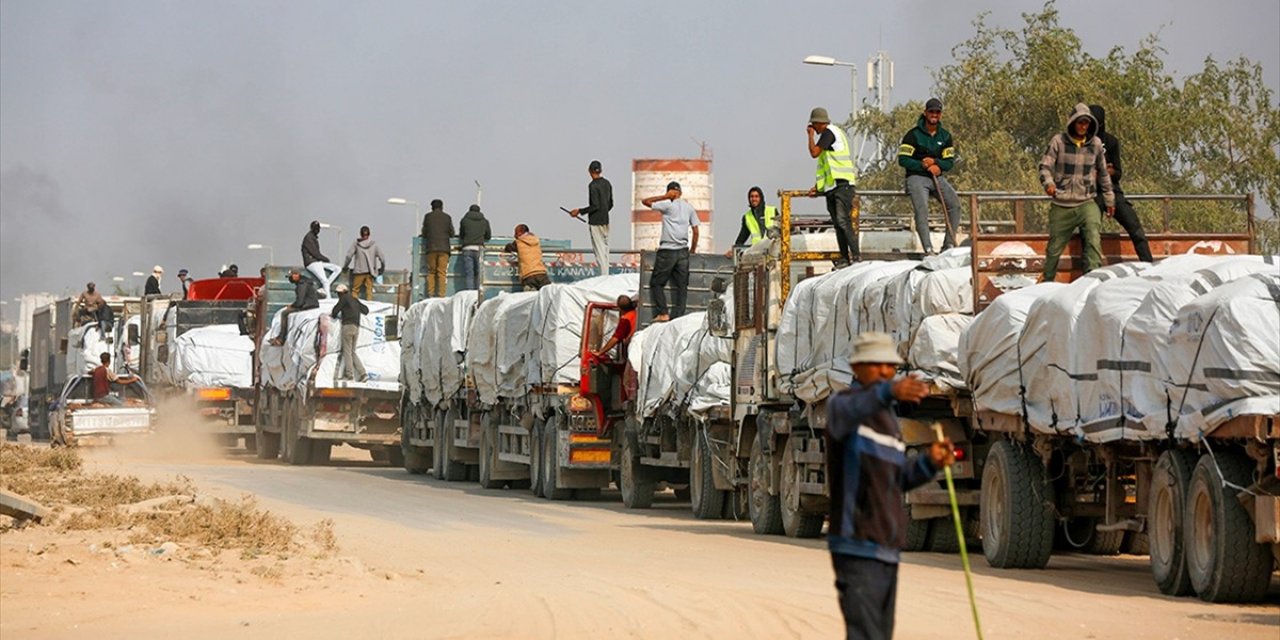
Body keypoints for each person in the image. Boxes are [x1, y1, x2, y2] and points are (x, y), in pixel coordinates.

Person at [826, 332, 955, 640]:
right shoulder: (842, 407)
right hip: (856, 546)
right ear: (857, 366)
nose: (885, 371)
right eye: (877, 364)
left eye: (891, 366)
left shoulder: (887, 421)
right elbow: (862, 402)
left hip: (886, 549)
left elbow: (897, 481)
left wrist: (929, 463)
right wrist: (891, 391)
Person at [1039, 103, 1115, 282]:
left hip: (1086, 201)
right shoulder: (1058, 141)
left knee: (1093, 241)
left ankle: (1092, 281)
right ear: (1073, 123)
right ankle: (1047, 282)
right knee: (1054, 249)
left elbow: (1103, 174)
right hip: (1062, 203)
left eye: (1087, 123)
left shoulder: (1095, 144)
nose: (1083, 126)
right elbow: (1044, 167)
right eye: (1080, 122)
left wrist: (1110, 199)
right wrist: (1049, 184)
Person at [1089, 105, 1153, 263]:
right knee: (1090, 233)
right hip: (1091, 194)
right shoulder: (1081, 143)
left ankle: (1148, 264)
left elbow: (1118, 172)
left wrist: (1109, 172)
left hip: (1113, 192)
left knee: (1136, 229)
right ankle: (1089, 271)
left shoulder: (1111, 142)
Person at [899, 98, 962, 255]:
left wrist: (936, 164)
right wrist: (922, 165)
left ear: (940, 114)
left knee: (955, 205)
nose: (934, 114)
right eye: (931, 111)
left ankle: (948, 246)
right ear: (925, 113)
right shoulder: (912, 135)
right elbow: (903, 159)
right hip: (916, 178)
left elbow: (949, 162)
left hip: (937, 178)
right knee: (922, 210)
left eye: (937, 112)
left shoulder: (945, 136)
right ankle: (928, 249)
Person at [641, 181, 700, 321]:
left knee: (656, 283)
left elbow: (645, 201)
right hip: (683, 252)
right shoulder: (689, 208)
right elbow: (696, 231)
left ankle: (663, 313)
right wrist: (692, 250)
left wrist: (664, 196)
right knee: (682, 286)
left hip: (667, 250)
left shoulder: (667, 205)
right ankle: (679, 317)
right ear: (681, 192)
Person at [807, 107, 859, 266]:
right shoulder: (827, 138)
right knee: (838, 224)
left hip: (843, 185)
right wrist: (819, 187)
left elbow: (813, 152)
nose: (813, 129)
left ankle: (856, 256)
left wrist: (810, 136)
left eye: (813, 125)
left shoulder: (829, 132)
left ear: (818, 123)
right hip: (833, 187)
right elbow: (827, 168)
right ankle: (845, 258)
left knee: (843, 222)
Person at [570, 160, 614, 276]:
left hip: (595, 222)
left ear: (589, 171)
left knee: (599, 251)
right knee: (605, 251)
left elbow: (595, 205)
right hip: (606, 220)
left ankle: (604, 277)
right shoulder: (607, 183)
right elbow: (610, 204)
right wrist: (604, 212)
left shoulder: (593, 185)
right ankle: (606, 274)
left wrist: (579, 211)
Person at [329, 283, 369, 382]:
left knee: (347, 352)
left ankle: (349, 375)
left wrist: (335, 315)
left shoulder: (344, 298)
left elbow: (334, 312)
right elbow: (366, 310)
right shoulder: (354, 299)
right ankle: (363, 374)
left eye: (338, 293)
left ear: (341, 293)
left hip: (347, 327)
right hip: (356, 327)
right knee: (352, 352)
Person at [269, 270, 319, 346]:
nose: (290, 279)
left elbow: (300, 301)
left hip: (307, 305)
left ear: (296, 275)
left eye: (291, 277)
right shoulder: (305, 282)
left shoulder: (301, 284)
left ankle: (281, 338)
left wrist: (292, 306)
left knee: (284, 313)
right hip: (311, 304)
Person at [421, 199, 455, 297]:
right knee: (442, 272)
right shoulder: (447, 217)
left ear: (432, 207)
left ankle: (431, 294)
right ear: (442, 207)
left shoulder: (428, 217)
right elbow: (451, 233)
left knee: (431, 271)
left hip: (431, 248)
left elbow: (424, 233)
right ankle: (441, 294)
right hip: (444, 248)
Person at [344, 225, 386, 300]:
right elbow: (382, 258)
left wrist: (345, 266)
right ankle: (369, 308)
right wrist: (382, 269)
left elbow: (349, 256)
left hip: (359, 272)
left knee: (355, 291)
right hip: (370, 273)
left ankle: (354, 307)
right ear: (369, 234)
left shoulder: (356, 244)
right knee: (369, 292)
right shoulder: (374, 245)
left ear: (360, 234)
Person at [504, 225, 551, 291]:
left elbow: (509, 248)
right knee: (548, 294)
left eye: (515, 233)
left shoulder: (518, 242)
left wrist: (506, 247)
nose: (515, 236)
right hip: (541, 273)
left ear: (519, 233)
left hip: (528, 275)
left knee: (530, 298)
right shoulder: (536, 241)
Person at [730, 186, 777, 250]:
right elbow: (742, 238)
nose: (754, 199)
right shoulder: (747, 217)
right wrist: (733, 250)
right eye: (751, 196)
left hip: (773, 250)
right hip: (757, 253)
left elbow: (783, 229)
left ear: (761, 198)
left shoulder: (772, 211)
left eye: (756, 196)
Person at [301, 220, 340, 298]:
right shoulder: (309, 238)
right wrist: (325, 259)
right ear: (312, 228)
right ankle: (328, 299)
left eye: (318, 228)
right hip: (311, 262)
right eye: (316, 228)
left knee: (337, 269)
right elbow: (315, 253)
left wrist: (324, 259)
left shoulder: (313, 237)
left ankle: (323, 288)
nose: (317, 230)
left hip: (316, 261)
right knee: (325, 281)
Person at [457, 204, 492, 291]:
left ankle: (470, 293)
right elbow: (488, 236)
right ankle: (479, 292)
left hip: (467, 248)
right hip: (479, 249)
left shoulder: (464, 221)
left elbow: (461, 235)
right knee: (479, 273)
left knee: (469, 273)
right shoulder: (485, 222)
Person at [593, 295, 637, 360]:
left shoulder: (625, 319)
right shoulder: (636, 314)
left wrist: (600, 352)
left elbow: (615, 338)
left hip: (631, 349)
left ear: (619, 308)